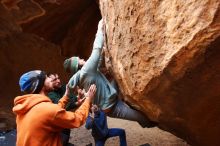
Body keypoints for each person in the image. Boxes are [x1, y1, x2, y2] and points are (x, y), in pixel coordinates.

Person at [63, 19, 156, 128]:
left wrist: (103, 51)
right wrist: (100, 29)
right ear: (77, 65)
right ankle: (147, 124)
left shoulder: (82, 75)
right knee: (140, 117)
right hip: (112, 107)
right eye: (79, 60)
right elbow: (96, 49)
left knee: (113, 75)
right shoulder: (86, 69)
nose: (82, 59)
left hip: (111, 96)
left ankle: (130, 105)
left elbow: (97, 64)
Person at [13, 70, 96, 146]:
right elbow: (77, 119)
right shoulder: (47, 109)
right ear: (40, 85)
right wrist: (88, 99)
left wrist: (65, 96)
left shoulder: (27, 108)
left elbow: (52, 112)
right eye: (46, 78)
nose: (50, 80)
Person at [47, 73, 85, 146]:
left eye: (58, 78)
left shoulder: (63, 87)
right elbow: (62, 105)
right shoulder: (50, 94)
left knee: (65, 136)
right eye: (55, 79)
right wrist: (76, 100)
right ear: (49, 82)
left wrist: (78, 97)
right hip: (57, 124)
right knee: (62, 140)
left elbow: (71, 98)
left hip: (65, 120)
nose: (58, 81)